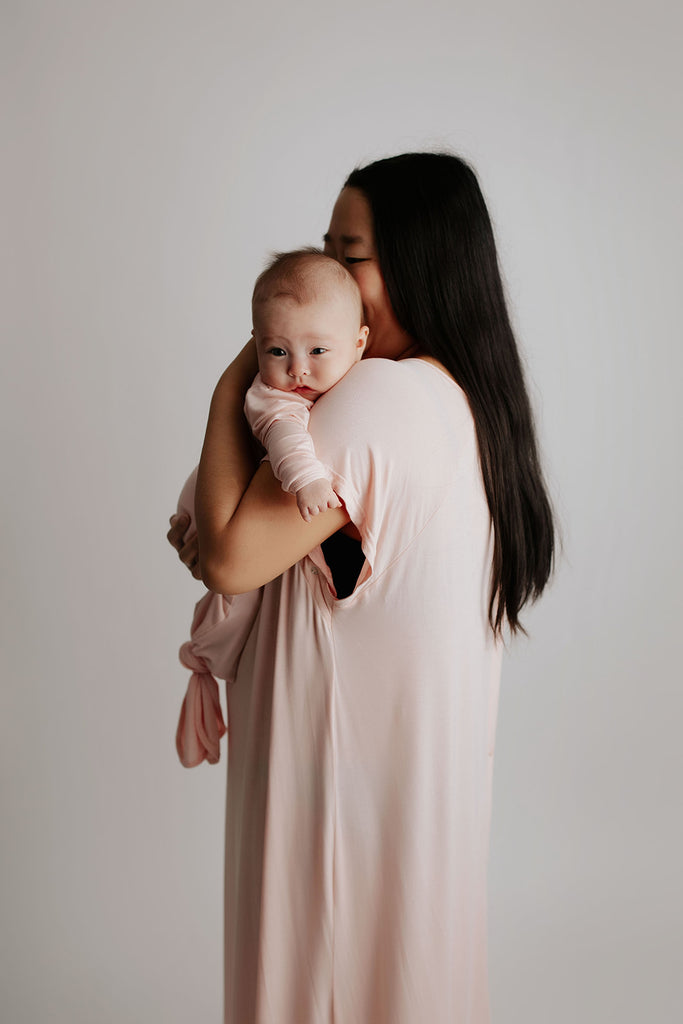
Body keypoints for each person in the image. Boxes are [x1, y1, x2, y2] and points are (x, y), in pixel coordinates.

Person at [167, 152, 555, 1024]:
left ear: (421, 263)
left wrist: (240, 374)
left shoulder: (378, 396)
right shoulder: (466, 405)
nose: (329, 280)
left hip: (328, 819)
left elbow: (228, 558)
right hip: (397, 820)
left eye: (352, 257)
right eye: (326, 249)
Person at [245, 248, 369, 522]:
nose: (297, 369)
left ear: (358, 343)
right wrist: (308, 480)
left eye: (317, 351)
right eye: (277, 351)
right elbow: (284, 436)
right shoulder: (273, 398)